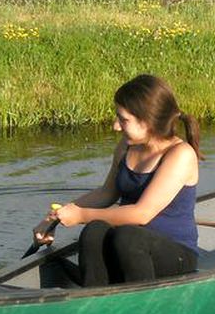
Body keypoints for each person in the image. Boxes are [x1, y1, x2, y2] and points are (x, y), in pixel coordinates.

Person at [33, 74, 202, 285]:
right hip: (130, 250)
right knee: (94, 231)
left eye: (123, 119)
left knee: (128, 237)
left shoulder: (180, 155)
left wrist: (81, 215)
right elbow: (106, 193)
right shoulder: (126, 147)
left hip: (175, 254)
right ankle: (95, 300)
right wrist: (53, 220)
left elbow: (142, 214)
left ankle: (142, 307)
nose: (116, 126)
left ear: (148, 120)